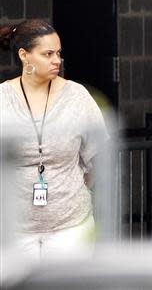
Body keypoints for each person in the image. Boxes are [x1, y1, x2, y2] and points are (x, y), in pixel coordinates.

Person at [0, 19, 108, 259]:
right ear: (24, 56)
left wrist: (69, 192)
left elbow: (99, 157)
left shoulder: (76, 96)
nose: (56, 60)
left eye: (58, 53)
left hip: (70, 227)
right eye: (47, 54)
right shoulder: (3, 99)